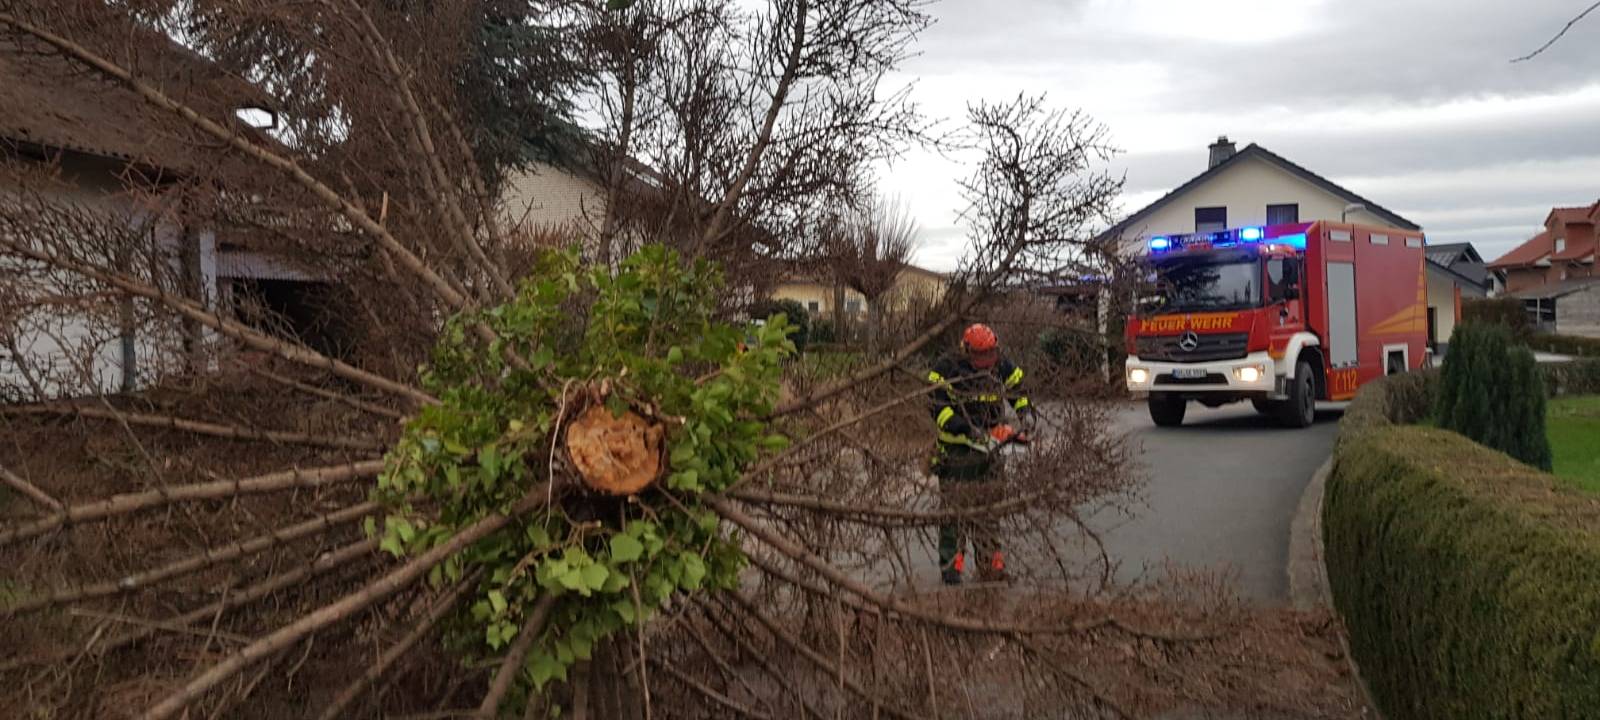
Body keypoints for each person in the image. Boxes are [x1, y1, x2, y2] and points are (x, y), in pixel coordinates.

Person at [926, 323, 1033, 585]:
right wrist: (967, 429)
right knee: (954, 513)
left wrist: (1026, 415)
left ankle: (990, 566)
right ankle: (952, 567)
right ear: (967, 350)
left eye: (991, 354)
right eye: (981, 356)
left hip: (990, 450)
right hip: (956, 452)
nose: (987, 362)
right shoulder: (947, 368)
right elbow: (937, 407)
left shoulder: (1000, 364)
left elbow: (1018, 390)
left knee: (989, 510)